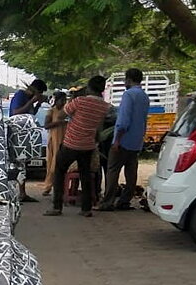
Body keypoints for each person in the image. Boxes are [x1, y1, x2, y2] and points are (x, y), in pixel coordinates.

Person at [45, 75, 112, 217]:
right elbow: (99, 128)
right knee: (85, 175)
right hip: (88, 146)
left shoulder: (79, 101)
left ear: (89, 87)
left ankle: (57, 207)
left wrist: (74, 117)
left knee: (59, 171)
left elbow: (61, 116)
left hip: (70, 143)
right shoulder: (105, 106)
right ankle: (86, 209)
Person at [97, 68, 150, 210]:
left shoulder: (128, 95)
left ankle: (107, 202)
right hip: (136, 140)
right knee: (131, 172)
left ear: (128, 79)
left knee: (113, 170)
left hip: (124, 139)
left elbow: (123, 120)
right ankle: (125, 201)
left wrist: (117, 140)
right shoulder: (144, 96)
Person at [10, 79, 48, 202]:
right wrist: (32, 100)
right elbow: (16, 112)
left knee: (23, 164)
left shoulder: (29, 99)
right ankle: (18, 192)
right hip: (17, 133)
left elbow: (31, 114)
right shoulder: (20, 95)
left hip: (26, 134)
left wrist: (38, 104)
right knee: (17, 164)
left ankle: (23, 192)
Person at [41, 91, 68, 196]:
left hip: (65, 140)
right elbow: (46, 125)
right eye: (62, 100)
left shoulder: (66, 111)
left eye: (65, 100)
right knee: (52, 166)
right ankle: (47, 186)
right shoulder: (51, 111)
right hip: (54, 140)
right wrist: (60, 122)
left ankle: (61, 188)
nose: (64, 102)